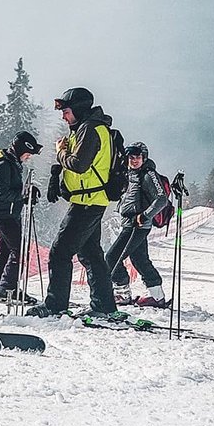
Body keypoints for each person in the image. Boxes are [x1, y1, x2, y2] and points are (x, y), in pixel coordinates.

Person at [28, 87, 117, 318]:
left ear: (77, 109)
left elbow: (79, 164)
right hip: (89, 200)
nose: (63, 116)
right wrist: (57, 174)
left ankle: (55, 306)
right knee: (91, 254)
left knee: (59, 252)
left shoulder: (90, 129)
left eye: (65, 111)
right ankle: (104, 305)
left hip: (87, 202)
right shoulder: (86, 128)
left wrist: (60, 153)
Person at [103, 142, 169, 308]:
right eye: (131, 157)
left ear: (144, 157)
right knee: (140, 260)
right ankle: (157, 297)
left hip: (137, 225)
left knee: (112, 258)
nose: (134, 160)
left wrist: (144, 216)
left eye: (137, 157)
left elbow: (161, 199)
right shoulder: (131, 173)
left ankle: (122, 294)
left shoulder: (147, 174)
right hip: (130, 223)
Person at [0, 131, 42, 302]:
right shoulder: (3, 165)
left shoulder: (12, 163)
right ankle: (8, 288)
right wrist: (24, 195)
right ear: (21, 148)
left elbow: (11, 192)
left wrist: (25, 195)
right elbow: (1, 194)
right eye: (28, 153)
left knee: (5, 251)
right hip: (4, 215)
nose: (28, 157)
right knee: (19, 250)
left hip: (9, 214)